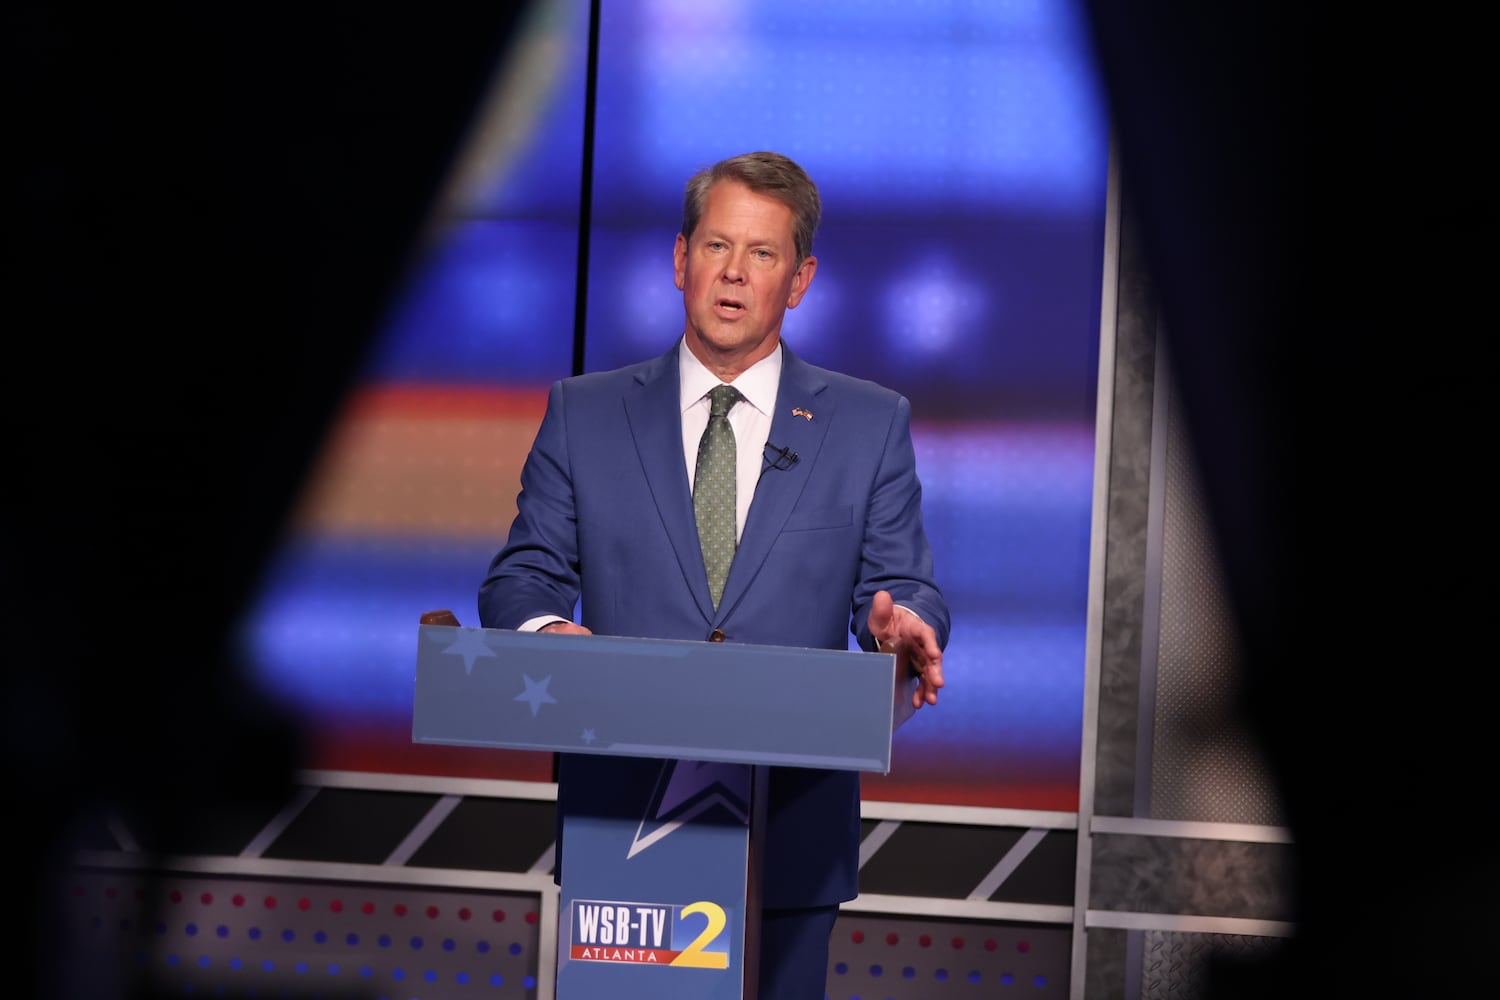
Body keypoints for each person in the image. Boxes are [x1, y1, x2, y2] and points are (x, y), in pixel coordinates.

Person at [477, 150, 949, 996]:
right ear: (678, 260)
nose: (734, 275)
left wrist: (900, 621)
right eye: (716, 247)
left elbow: (903, 586)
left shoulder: (869, 425)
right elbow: (521, 577)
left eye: (762, 254)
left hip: (792, 833)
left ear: (799, 279)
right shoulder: (584, 413)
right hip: (624, 824)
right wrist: (555, 638)